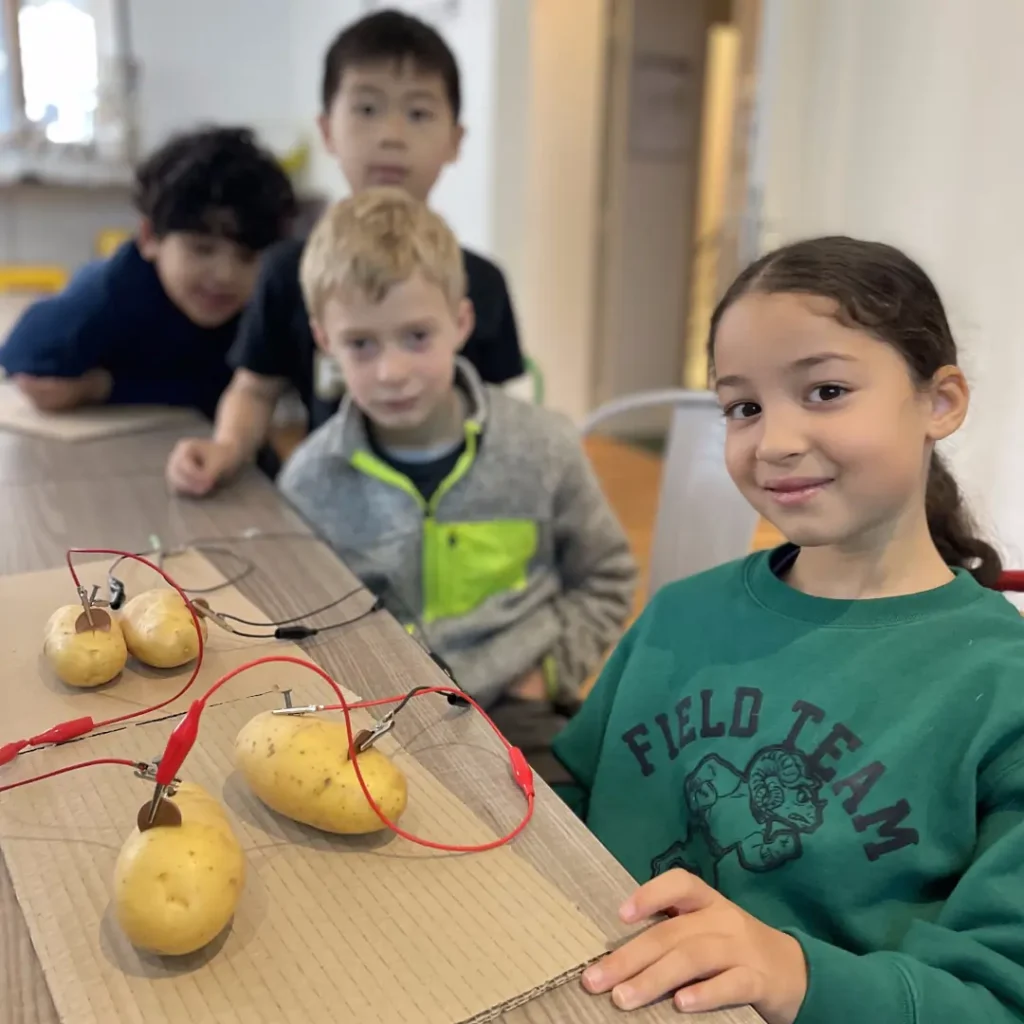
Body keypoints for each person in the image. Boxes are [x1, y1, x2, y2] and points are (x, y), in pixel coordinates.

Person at [551, 237, 1024, 1022]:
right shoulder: (679, 615)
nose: (774, 441)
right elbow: (576, 799)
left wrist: (795, 973)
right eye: (743, 407)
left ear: (940, 401)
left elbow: (995, 1000)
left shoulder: (1002, 691)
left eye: (826, 390)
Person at [277, 188, 635, 782]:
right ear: (324, 341)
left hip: (517, 711)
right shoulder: (310, 481)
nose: (391, 371)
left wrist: (546, 673)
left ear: (461, 322)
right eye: (361, 345)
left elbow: (608, 575)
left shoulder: (543, 446)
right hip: (370, 718)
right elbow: (298, 621)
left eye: (416, 336)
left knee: (567, 846)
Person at [166, 9, 525, 496]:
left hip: (455, 511)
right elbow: (254, 388)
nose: (391, 135)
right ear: (328, 130)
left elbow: (502, 412)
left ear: (455, 141)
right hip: (333, 508)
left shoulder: (482, 281)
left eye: (418, 113)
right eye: (367, 109)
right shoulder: (286, 271)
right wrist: (226, 448)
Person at [0, 127, 296, 419]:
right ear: (150, 238)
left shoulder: (261, 303)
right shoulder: (119, 286)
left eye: (247, 257)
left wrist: (102, 388)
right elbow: (23, 354)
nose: (225, 275)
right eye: (202, 249)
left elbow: (224, 389)